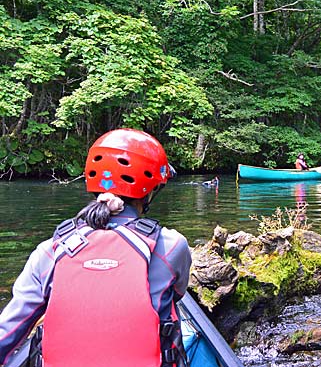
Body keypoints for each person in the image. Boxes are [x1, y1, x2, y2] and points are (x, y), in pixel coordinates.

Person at [0, 129, 191, 367]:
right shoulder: (172, 246)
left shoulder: (50, 250)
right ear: (150, 190)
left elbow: (9, 330)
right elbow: (180, 292)